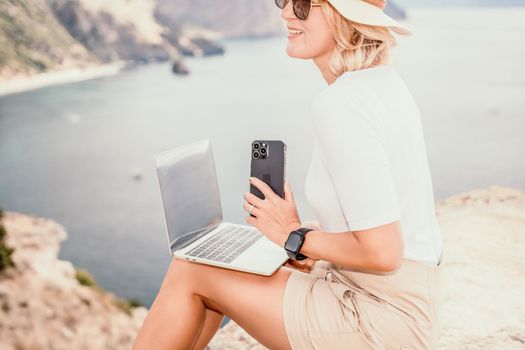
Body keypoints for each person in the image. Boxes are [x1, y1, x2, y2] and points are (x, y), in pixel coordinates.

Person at [132, 0, 444, 349]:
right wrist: (314, 235)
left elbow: (384, 254)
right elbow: (392, 218)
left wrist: (291, 235)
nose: (285, 13)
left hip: (378, 321)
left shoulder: (342, 103)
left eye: (302, 4)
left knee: (191, 270)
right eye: (284, 1)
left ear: (343, 16)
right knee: (211, 273)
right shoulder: (383, 83)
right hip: (404, 307)